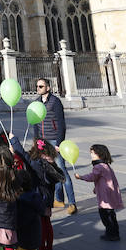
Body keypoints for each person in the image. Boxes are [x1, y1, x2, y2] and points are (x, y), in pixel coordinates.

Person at [33, 78, 77, 215]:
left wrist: (59, 143)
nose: (38, 88)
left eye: (41, 86)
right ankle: (58, 199)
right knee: (51, 171)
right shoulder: (36, 102)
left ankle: (72, 203)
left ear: (48, 88)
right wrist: (36, 141)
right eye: (37, 86)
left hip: (53, 141)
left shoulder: (55, 102)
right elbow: (34, 123)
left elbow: (61, 124)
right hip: (43, 142)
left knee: (62, 171)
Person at [25, 138, 64, 250]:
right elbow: (59, 177)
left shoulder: (37, 162)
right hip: (48, 198)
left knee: (40, 225)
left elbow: (25, 157)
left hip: (39, 197)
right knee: (47, 223)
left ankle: (42, 249)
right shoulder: (50, 163)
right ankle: (49, 249)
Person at [76, 144, 123, 241]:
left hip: (105, 195)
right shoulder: (105, 165)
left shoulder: (98, 167)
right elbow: (103, 179)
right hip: (109, 193)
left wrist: (80, 177)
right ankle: (114, 232)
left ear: (100, 154)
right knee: (110, 214)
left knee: (105, 215)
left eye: (93, 153)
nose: (91, 155)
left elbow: (92, 177)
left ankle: (111, 233)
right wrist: (96, 187)